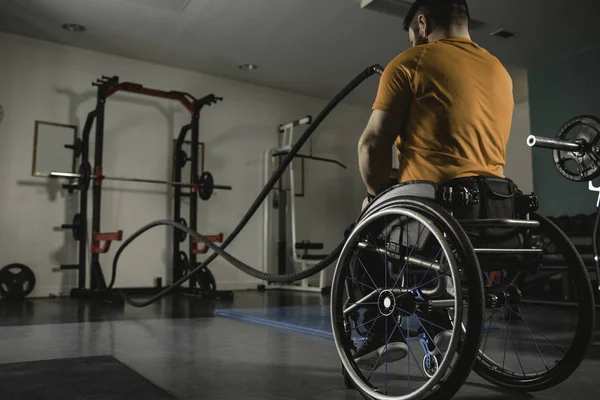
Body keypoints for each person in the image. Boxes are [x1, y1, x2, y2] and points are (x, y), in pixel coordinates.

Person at [353, 0, 515, 370]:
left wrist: (375, 197)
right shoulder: (500, 71)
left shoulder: (412, 62)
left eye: (414, 36)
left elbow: (372, 144)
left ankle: (379, 334)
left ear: (422, 24)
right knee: (423, 243)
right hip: (494, 213)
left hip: (435, 207)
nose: (414, 43)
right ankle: (439, 327)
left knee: (362, 234)